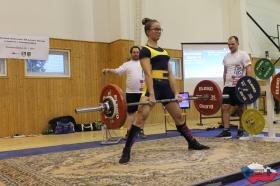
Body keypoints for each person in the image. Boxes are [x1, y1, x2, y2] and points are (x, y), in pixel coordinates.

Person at [119, 18, 209, 164]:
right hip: (152, 86)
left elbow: (170, 74)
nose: (159, 32)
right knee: (141, 117)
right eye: (156, 29)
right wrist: (152, 95)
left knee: (179, 116)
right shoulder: (145, 50)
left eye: (160, 29)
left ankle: (192, 142)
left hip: (166, 87)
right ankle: (126, 150)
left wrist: (176, 93)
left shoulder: (165, 51)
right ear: (148, 32)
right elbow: (148, 73)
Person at [102, 46, 146, 139]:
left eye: (137, 52)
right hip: (130, 93)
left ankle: (141, 130)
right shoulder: (127, 64)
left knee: (142, 112)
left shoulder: (144, 63)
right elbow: (118, 71)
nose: (136, 54)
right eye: (134, 52)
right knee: (131, 113)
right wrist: (109, 70)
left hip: (142, 92)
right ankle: (129, 132)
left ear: (140, 53)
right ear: (131, 53)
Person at [216, 36, 252, 138]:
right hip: (228, 86)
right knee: (225, 107)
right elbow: (225, 71)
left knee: (241, 108)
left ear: (237, 43)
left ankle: (241, 129)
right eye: (229, 44)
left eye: (232, 44)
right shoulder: (226, 56)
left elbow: (248, 68)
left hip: (239, 86)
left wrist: (248, 84)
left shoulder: (243, 54)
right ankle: (226, 130)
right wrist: (224, 84)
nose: (230, 46)